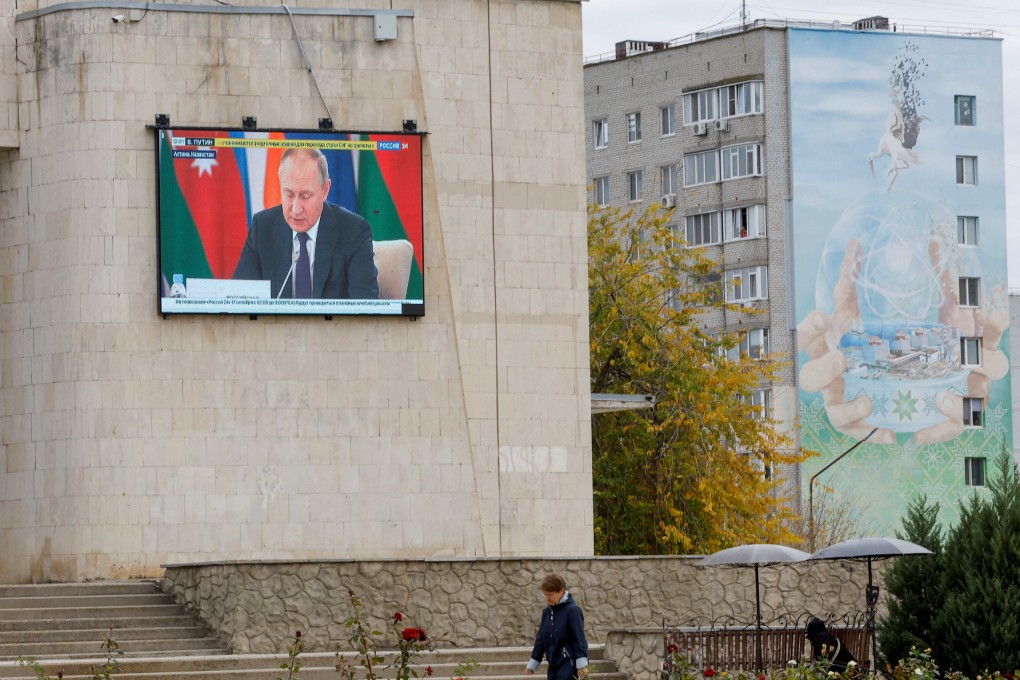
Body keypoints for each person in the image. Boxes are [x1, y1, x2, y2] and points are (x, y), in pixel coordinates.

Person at [233, 147, 379, 300]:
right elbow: (239, 300)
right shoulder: (262, 228)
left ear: (325, 190)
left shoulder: (354, 232)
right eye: (288, 194)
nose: (296, 209)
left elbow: (365, 306)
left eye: (306, 195)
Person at [525, 574, 590, 680]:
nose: (547, 598)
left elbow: (579, 639)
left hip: (569, 664)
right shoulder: (546, 612)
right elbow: (541, 639)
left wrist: (582, 666)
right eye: (545, 594)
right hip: (553, 666)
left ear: (561, 591)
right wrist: (533, 664)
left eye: (550, 594)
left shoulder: (573, 611)